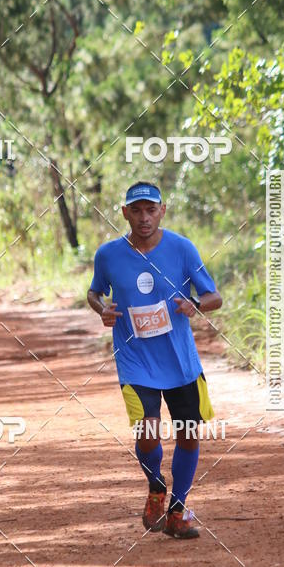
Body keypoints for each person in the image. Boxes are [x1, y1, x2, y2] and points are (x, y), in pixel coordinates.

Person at [87, 182, 222, 540]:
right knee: (148, 432)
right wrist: (102, 309)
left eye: (151, 210)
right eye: (136, 210)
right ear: (125, 213)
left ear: (162, 211)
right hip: (135, 360)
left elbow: (214, 296)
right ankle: (156, 486)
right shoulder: (108, 255)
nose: (144, 218)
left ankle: (177, 512)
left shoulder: (182, 248)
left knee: (189, 436)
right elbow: (94, 291)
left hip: (180, 361)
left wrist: (194, 305)